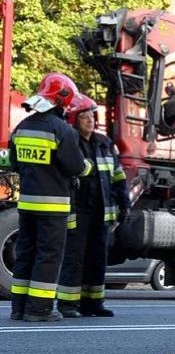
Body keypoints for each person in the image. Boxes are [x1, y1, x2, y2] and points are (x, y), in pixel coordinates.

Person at [8, 73, 92, 322]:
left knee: (25, 253)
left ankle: (19, 308)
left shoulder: (22, 127)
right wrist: (87, 168)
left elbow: (15, 162)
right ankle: (39, 309)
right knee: (48, 255)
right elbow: (76, 167)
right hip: (53, 205)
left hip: (27, 203)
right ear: (63, 99)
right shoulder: (62, 130)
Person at [56, 94, 130, 318]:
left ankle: (94, 303)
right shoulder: (70, 141)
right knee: (74, 257)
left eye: (91, 116)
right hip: (78, 210)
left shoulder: (105, 143)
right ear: (75, 120)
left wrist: (123, 201)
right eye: (84, 117)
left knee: (98, 258)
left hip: (101, 210)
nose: (90, 121)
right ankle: (68, 304)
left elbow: (117, 175)